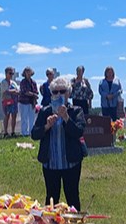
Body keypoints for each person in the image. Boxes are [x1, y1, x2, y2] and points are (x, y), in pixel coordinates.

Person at [31, 77, 86, 211]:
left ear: (69, 93)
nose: (59, 95)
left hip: (70, 162)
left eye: (62, 91)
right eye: (55, 92)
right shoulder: (45, 111)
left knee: (72, 197)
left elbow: (78, 132)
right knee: (51, 198)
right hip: (50, 163)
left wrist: (67, 118)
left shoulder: (76, 111)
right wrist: (46, 126)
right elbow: (34, 134)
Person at [18, 66, 39, 136]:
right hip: (24, 102)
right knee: (24, 118)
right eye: (27, 72)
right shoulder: (23, 82)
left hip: (32, 102)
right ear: (25, 73)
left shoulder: (33, 82)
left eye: (29, 71)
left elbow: (36, 91)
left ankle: (31, 132)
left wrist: (34, 96)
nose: (28, 73)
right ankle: (24, 132)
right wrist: (33, 94)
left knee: (32, 118)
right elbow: (25, 92)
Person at [0, 67, 20, 137]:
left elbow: (18, 91)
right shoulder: (3, 82)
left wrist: (13, 91)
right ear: (6, 73)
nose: (11, 75)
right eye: (10, 73)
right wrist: (13, 91)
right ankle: (5, 132)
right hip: (6, 101)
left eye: (12, 73)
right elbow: (5, 92)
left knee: (14, 116)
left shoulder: (13, 83)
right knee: (7, 116)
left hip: (14, 101)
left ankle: (13, 132)